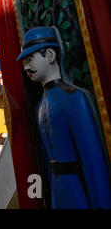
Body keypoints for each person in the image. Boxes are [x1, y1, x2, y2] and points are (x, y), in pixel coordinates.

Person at [17, 26, 111, 208]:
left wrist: (101, 204)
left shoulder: (74, 98)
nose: (26, 67)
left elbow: (93, 160)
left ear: (50, 55)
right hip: (57, 192)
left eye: (30, 59)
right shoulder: (40, 107)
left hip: (77, 192)